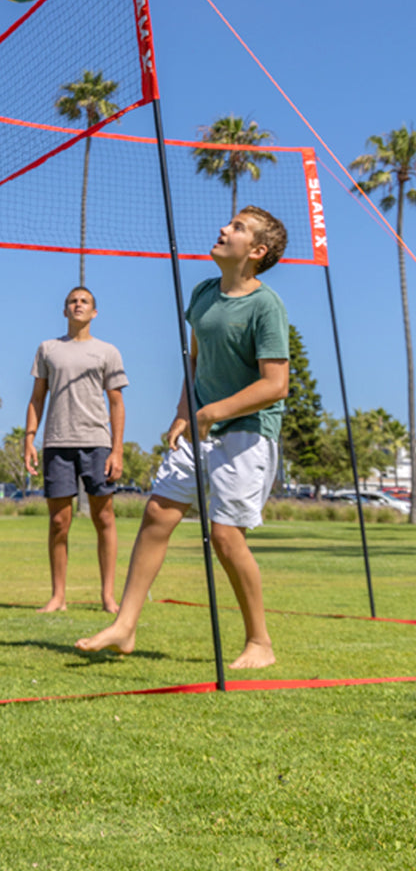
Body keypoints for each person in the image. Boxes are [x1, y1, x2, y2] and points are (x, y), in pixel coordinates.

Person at [76, 206, 289, 669]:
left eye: (236, 228)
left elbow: (276, 385)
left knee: (226, 537)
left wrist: (210, 413)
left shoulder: (265, 306)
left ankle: (260, 642)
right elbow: (194, 363)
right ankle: (125, 625)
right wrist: (181, 414)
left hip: (248, 432)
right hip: (199, 427)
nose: (222, 228)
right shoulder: (203, 294)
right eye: (228, 222)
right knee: (157, 513)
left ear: (256, 251)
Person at [24, 286, 128, 614]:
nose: (78, 305)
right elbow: (37, 397)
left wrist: (117, 450)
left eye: (84, 301)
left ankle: (108, 596)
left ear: (94, 313)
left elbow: (116, 403)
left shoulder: (108, 351)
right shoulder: (48, 349)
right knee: (58, 521)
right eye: (73, 301)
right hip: (57, 442)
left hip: (97, 443)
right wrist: (29, 437)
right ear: (65, 310)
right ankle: (58, 597)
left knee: (105, 518)